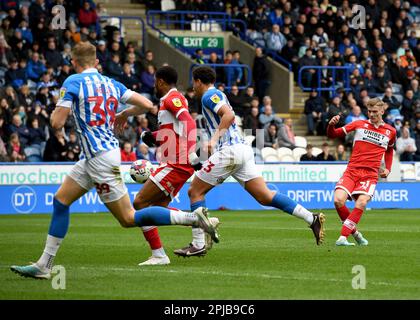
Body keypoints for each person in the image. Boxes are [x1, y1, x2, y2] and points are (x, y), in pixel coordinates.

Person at [10, 42, 218, 279]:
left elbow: (57, 123)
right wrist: (123, 113)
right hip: (92, 157)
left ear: (74, 62)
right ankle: (44, 265)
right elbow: (146, 104)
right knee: (60, 201)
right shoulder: (111, 83)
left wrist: (61, 107)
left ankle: (194, 219)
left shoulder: (72, 82)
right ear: (96, 61)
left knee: (130, 217)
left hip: (99, 157)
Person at [174, 66, 326, 256]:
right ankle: (311, 219)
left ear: (198, 81)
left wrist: (213, 140)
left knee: (195, 191)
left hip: (229, 151)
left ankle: (198, 244)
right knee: (265, 196)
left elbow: (228, 115)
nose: (193, 88)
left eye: (193, 83)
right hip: (243, 150)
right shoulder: (217, 94)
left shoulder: (208, 96)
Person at [115, 65, 218, 265]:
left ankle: (163, 251)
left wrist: (190, 153)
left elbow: (188, 122)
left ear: (161, 81)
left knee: (139, 204)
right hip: (175, 161)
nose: (154, 84)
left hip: (176, 163)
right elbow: (174, 131)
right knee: (157, 209)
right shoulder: (168, 101)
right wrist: (152, 136)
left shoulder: (173, 98)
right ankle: (196, 221)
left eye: (155, 81)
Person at [327, 98, 396, 246]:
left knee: (362, 202)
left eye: (375, 112)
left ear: (382, 111)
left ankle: (342, 238)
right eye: (369, 111)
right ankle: (356, 235)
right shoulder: (359, 124)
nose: (371, 115)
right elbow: (333, 134)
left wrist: (388, 168)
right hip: (352, 170)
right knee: (338, 200)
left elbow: (390, 150)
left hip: (370, 174)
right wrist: (331, 126)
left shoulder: (391, 131)